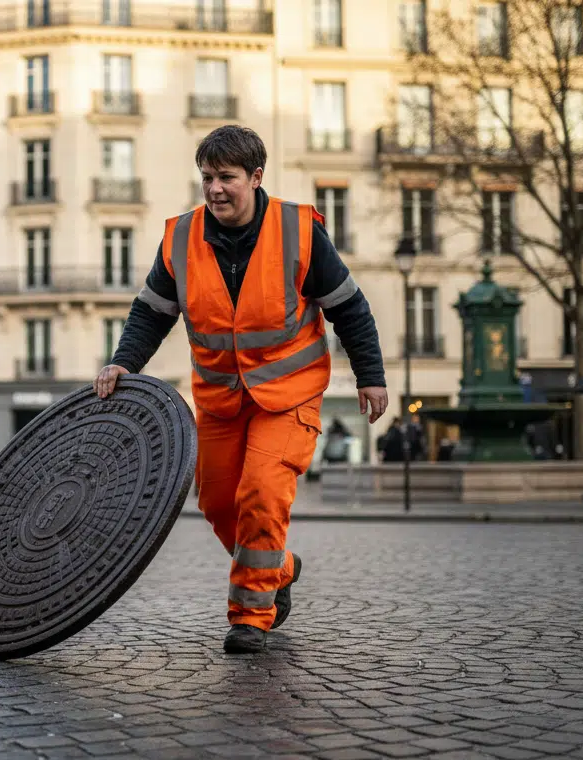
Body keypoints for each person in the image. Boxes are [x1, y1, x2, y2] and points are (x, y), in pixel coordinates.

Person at [94, 125, 388, 654]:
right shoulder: (181, 238)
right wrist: (122, 363)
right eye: (207, 177)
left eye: (226, 177)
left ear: (255, 177)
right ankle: (281, 567)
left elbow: (348, 307)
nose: (214, 189)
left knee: (261, 493)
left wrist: (370, 375)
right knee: (217, 503)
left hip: (289, 392)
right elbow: (151, 313)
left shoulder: (299, 232)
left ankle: (251, 616)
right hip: (220, 399)